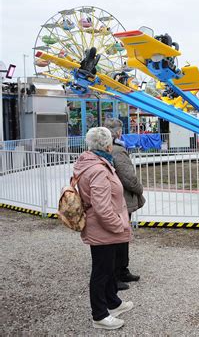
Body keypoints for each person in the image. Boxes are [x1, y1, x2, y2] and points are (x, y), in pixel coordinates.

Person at [73, 127, 133, 330]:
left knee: (107, 268)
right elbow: (101, 206)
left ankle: (112, 303)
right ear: (107, 145)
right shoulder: (98, 169)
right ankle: (99, 314)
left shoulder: (93, 162)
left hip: (102, 227)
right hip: (103, 228)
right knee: (101, 271)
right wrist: (118, 225)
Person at [104, 118, 145, 291]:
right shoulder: (118, 151)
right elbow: (128, 177)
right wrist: (139, 188)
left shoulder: (106, 150)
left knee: (119, 235)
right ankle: (117, 272)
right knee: (120, 236)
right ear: (118, 132)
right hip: (121, 199)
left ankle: (121, 270)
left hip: (111, 198)